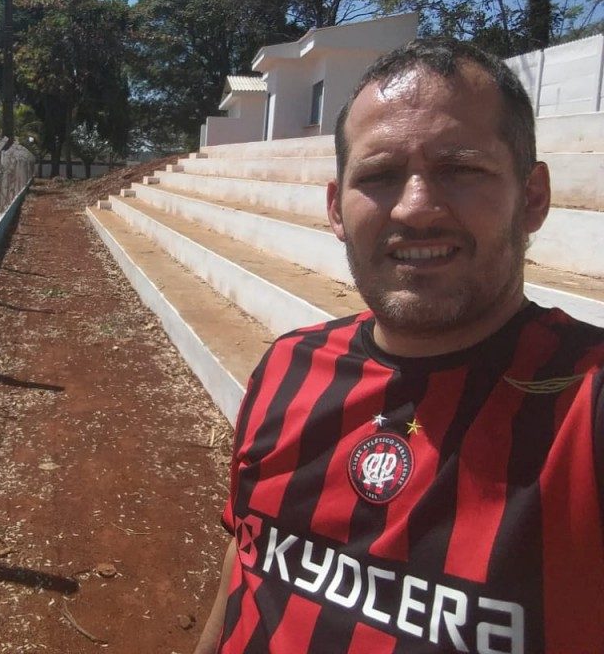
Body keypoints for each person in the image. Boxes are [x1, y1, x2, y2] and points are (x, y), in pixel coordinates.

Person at [193, 38, 604, 654]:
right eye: (380, 176)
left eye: (461, 169)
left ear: (534, 198)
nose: (415, 209)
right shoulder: (286, 367)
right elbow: (248, 559)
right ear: (336, 208)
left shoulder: (586, 402)